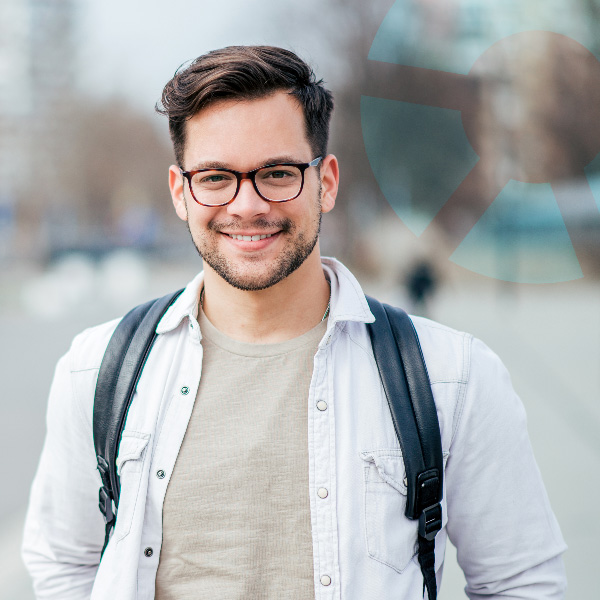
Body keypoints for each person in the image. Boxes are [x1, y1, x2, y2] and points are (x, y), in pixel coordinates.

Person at [22, 45, 567, 599]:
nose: (247, 205)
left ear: (326, 182)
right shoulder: (97, 371)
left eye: (277, 173)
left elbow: (521, 584)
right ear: (180, 192)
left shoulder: (452, 377)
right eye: (215, 177)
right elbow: (64, 565)